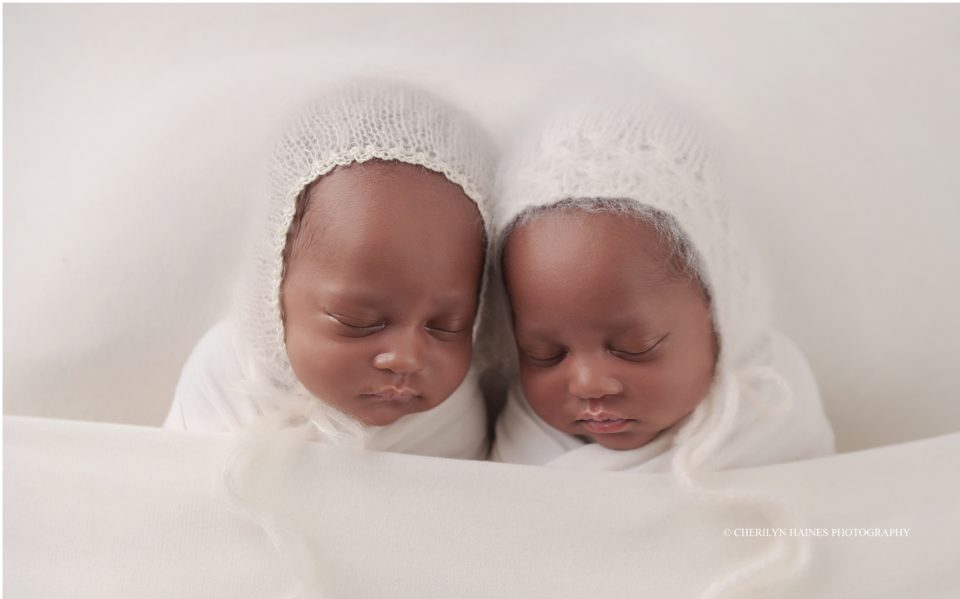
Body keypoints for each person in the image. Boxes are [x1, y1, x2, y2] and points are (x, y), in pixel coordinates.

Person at [487, 92, 835, 471]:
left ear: (721, 318)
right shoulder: (523, 436)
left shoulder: (771, 405)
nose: (588, 384)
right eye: (545, 355)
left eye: (635, 347)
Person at [164, 80, 495, 459]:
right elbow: (178, 497)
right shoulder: (228, 373)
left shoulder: (451, 415)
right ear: (273, 294)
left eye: (446, 327)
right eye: (357, 321)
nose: (408, 357)